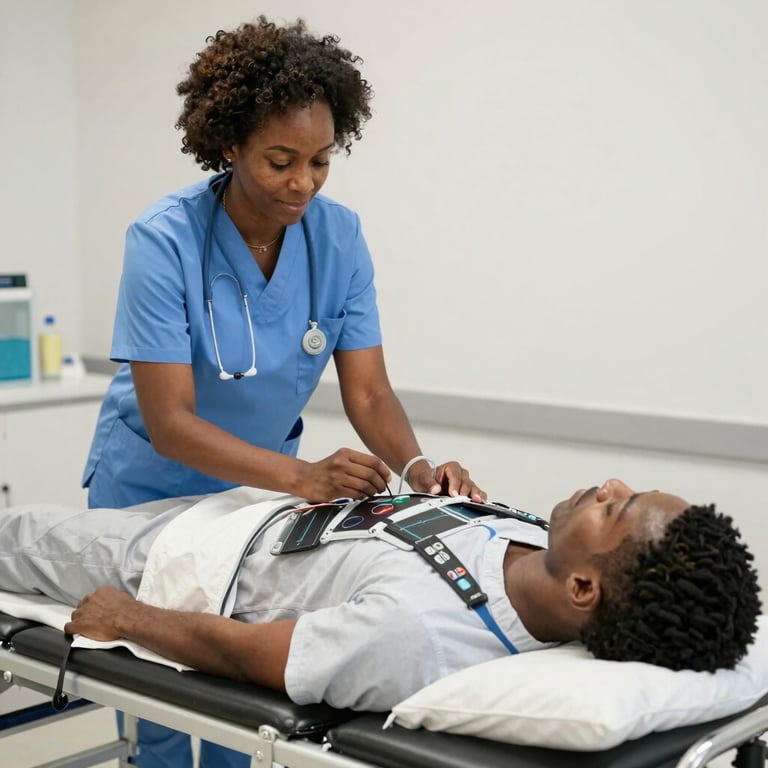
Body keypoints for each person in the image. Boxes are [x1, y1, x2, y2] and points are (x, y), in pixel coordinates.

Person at [81, 16, 484, 767]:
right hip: (152, 488)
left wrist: (422, 471)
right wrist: (303, 477)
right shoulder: (163, 240)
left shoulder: (338, 238)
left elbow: (369, 395)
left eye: (322, 161)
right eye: (280, 161)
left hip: (253, 504)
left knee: (239, 693)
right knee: (164, 699)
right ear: (228, 144)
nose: (303, 182)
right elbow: (171, 423)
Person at [0, 479, 761, 713]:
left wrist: (128, 618)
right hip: (255, 510)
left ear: (586, 586)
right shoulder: (536, 543)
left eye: (616, 510)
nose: (610, 486)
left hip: (188, 562)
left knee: (20, 533)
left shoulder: (422, 634)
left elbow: (252, 656)